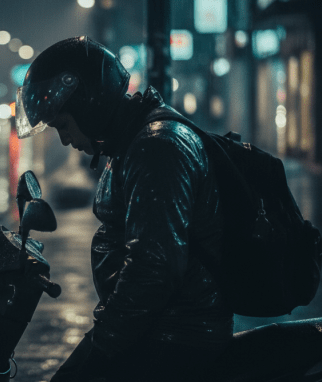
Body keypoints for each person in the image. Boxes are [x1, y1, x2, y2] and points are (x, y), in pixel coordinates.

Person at [15, 36, 233, 381]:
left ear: (90, 106)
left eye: (63, 125)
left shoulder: (156, 148)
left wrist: (104, 342)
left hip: (175, 335)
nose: (64, 140)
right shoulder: (132, 142)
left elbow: (154, 267)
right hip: (155, 325)